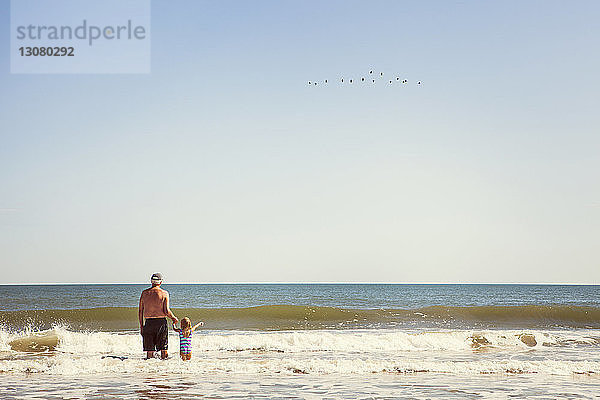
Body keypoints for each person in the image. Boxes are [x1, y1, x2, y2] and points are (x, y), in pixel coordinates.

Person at [138, 273, 178, 359]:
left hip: (148, 323)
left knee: (149, 350)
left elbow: (140, 311)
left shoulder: (144, 293)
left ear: (151, 282)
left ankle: (149, 369)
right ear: (160, 282)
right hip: (161, 322)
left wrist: (141, 326)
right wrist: (173, 318)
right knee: (163, 349)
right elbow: (166, 311)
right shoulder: (164, 293)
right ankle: (163, 368)